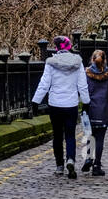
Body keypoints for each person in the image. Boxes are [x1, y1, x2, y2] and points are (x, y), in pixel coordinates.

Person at [31, 35, 90, 179]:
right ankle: (71, 159)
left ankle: (59, 166)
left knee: (57, 135)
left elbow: (44, 84)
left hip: (55, 104)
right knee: (70, 135)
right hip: (71, 104)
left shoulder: (51, 63)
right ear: (70, 47)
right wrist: (86, 103)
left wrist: (35, 102)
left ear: (56, 48)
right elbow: (82, 85)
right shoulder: (78, 62)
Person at [82, 49, 108, 177]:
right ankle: (97, 165)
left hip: (89, 108)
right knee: (100, 138)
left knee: (89, 135)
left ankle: (88, 157)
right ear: (105, 60)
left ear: (92, 59)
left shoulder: (86, 74)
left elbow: (82, 90)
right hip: (103, 109)